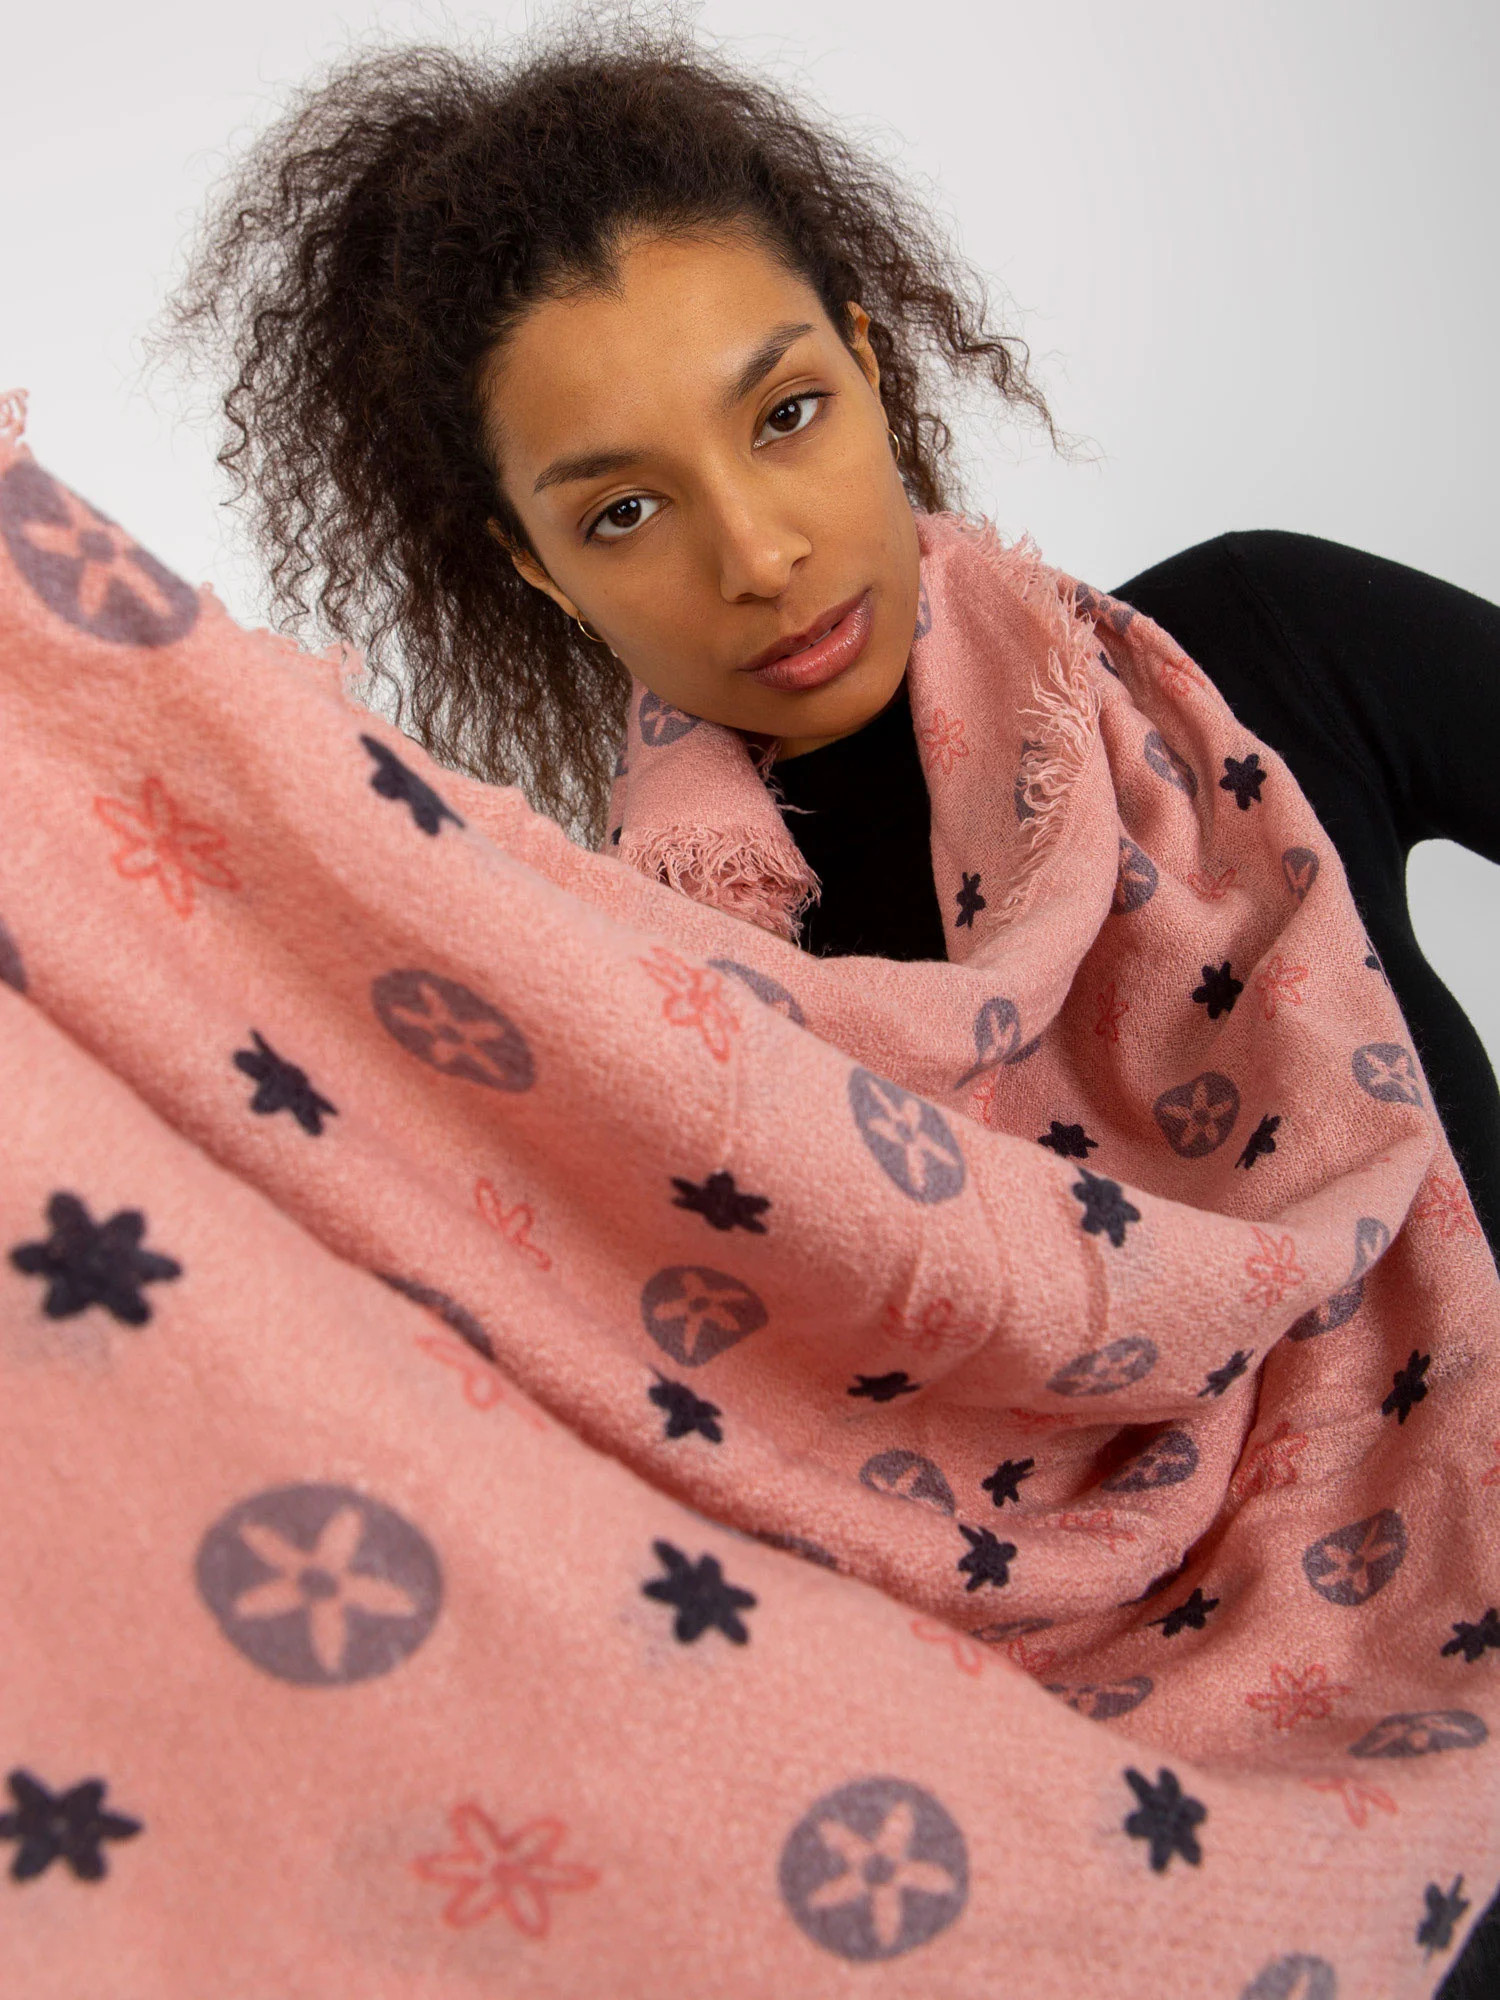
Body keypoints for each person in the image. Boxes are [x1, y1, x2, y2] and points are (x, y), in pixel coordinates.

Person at [166, 25, 1498, 1988]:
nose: (759, 549)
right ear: (531, 567)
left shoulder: (1261, 657)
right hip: (1108, 1886)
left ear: (872, 369)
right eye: (623, 512)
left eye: (784, 413)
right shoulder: (642, 1032)